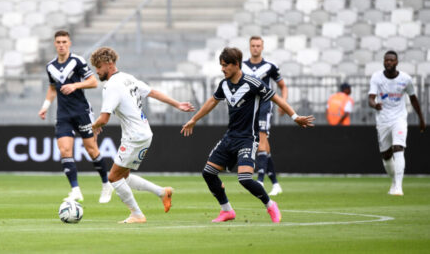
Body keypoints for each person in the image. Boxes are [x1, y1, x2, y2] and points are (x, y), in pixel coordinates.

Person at [181, 47, 314, 223]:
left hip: (248, 139)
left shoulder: (253, 83)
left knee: (244, 179)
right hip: (230, 138)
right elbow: (212, 101)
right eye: (221, 65)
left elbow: (276, 98)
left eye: (225, 65)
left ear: (236, 64)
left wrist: (295, 116)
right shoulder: (224, 84)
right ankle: (227, 211)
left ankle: (270, 205)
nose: (222, 69)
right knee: (208, 173)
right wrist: (194, 119)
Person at [90, 47, 195, 223]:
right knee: (124, 176)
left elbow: (104, 118)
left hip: (135, 136)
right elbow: (152, 92)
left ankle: (137, 214)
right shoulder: (127, 78)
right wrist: (177, 104)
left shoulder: (111, 85)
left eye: (98, 67)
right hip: (143, 132)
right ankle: (162, 192)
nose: (97, 71)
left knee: (113, 178)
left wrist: (92, 127)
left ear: (109, 64)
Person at [38, 30, 113, 204]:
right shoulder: (50, 67)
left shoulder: (77, 61)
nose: (61, 45)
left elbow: (94, 82)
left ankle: (106, 183)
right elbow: (52, 88)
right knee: (65, 150)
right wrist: (45, 106)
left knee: (91, 150)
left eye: (64, 41)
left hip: (81, 112)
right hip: (63, 114)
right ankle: (75, 190)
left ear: (69, 43)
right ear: (55, 44)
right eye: (58, 42)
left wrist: (75, 86)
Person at [368, 50, 426, 196]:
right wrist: (375, 105)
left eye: (391, 60)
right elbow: (370, 98)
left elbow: (413, 99)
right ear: (383, 62)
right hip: (382, 121)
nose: (388, 62)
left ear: (396, 62)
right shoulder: (377, 77)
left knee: (398, 147)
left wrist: (421, 118)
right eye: (386, 60)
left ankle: (399, 187)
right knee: (386, 156)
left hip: (399, 119)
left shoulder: (406, 79)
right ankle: (394, 181)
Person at [242, 36, 288, 196]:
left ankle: (260, 180)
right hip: (248, 108)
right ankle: (275, 183)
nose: (255, 48)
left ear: (262, 47)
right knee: (263, 144)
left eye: (258, 45)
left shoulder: (270, 66)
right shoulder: (242, 66)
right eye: (253, 45)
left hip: (264, 105)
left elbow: (282, 86)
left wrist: (283, 103)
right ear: (249, 47)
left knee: (261, 139)